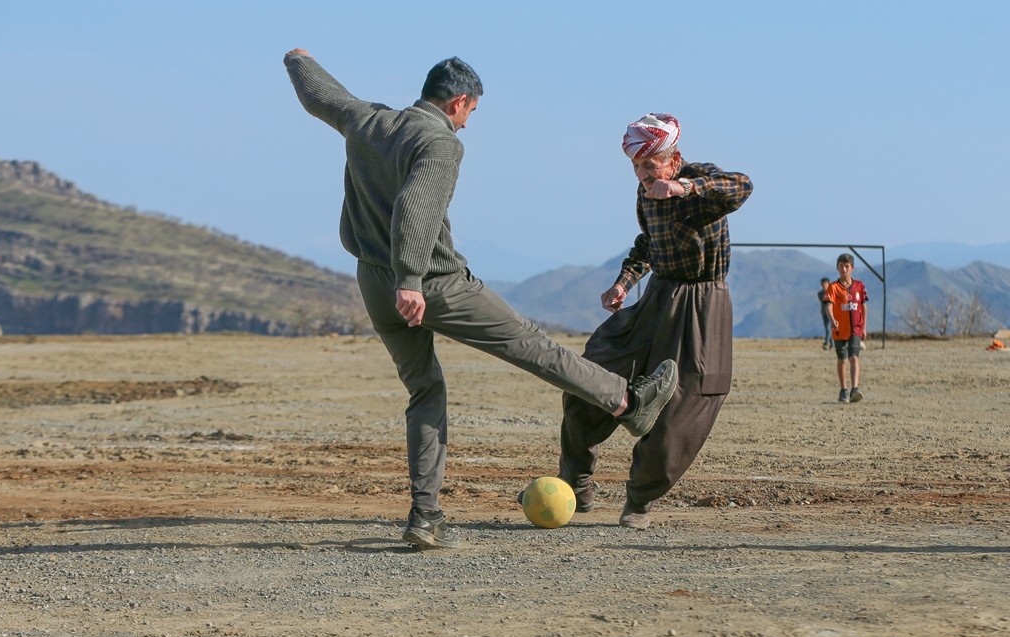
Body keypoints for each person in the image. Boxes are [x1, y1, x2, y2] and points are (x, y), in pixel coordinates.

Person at [284, 50, 678, 549]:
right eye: (471, 113)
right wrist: (411, 279)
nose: (468, 125)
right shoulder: (439, 142)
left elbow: (322, 97)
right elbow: (415, 206)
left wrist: (297, 60)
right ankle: (627, 401)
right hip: (431, 283)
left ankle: (425, 517)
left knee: (425, 391)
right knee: (529, 344)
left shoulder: (369, 121)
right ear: (459, 102)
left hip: (373, 283)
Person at [538, 113, 752, 530]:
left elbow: (742, 186)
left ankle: (639, 501)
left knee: (684, 406)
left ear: (673, 160)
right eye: (636, 165)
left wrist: (683, 188)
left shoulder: (700, 180)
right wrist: (622, 283)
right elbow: (647, 244)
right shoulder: (644, 193)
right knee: (593, 371)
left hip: (703, 304)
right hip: (657, 297)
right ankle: (576, 480)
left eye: (650, 164)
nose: (642, 173)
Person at [823, 254, 869, 403]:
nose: (844, 269)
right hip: (839, 329)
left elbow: (863, 306)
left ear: (852, 268)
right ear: (837, 268)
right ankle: (843, 390)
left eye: (847, 266)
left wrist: (864, 327)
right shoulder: (833, 287)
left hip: (855, 328)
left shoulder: (859, 286)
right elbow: (828, 306)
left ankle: (855, 389)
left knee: (854, 357)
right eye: (841, 266)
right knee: (842, 359)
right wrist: (832, 319)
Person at [818, 277, 834, 350]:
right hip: (824, 313)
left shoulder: (832, 292)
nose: (824, 285)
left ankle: (826, 343)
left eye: (825, 283)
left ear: (828, 283)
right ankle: (832, 344)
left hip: (831, 313)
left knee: (829, 329)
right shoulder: (820, 293)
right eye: (822, 283)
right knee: (827, 329)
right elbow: (824, 300)